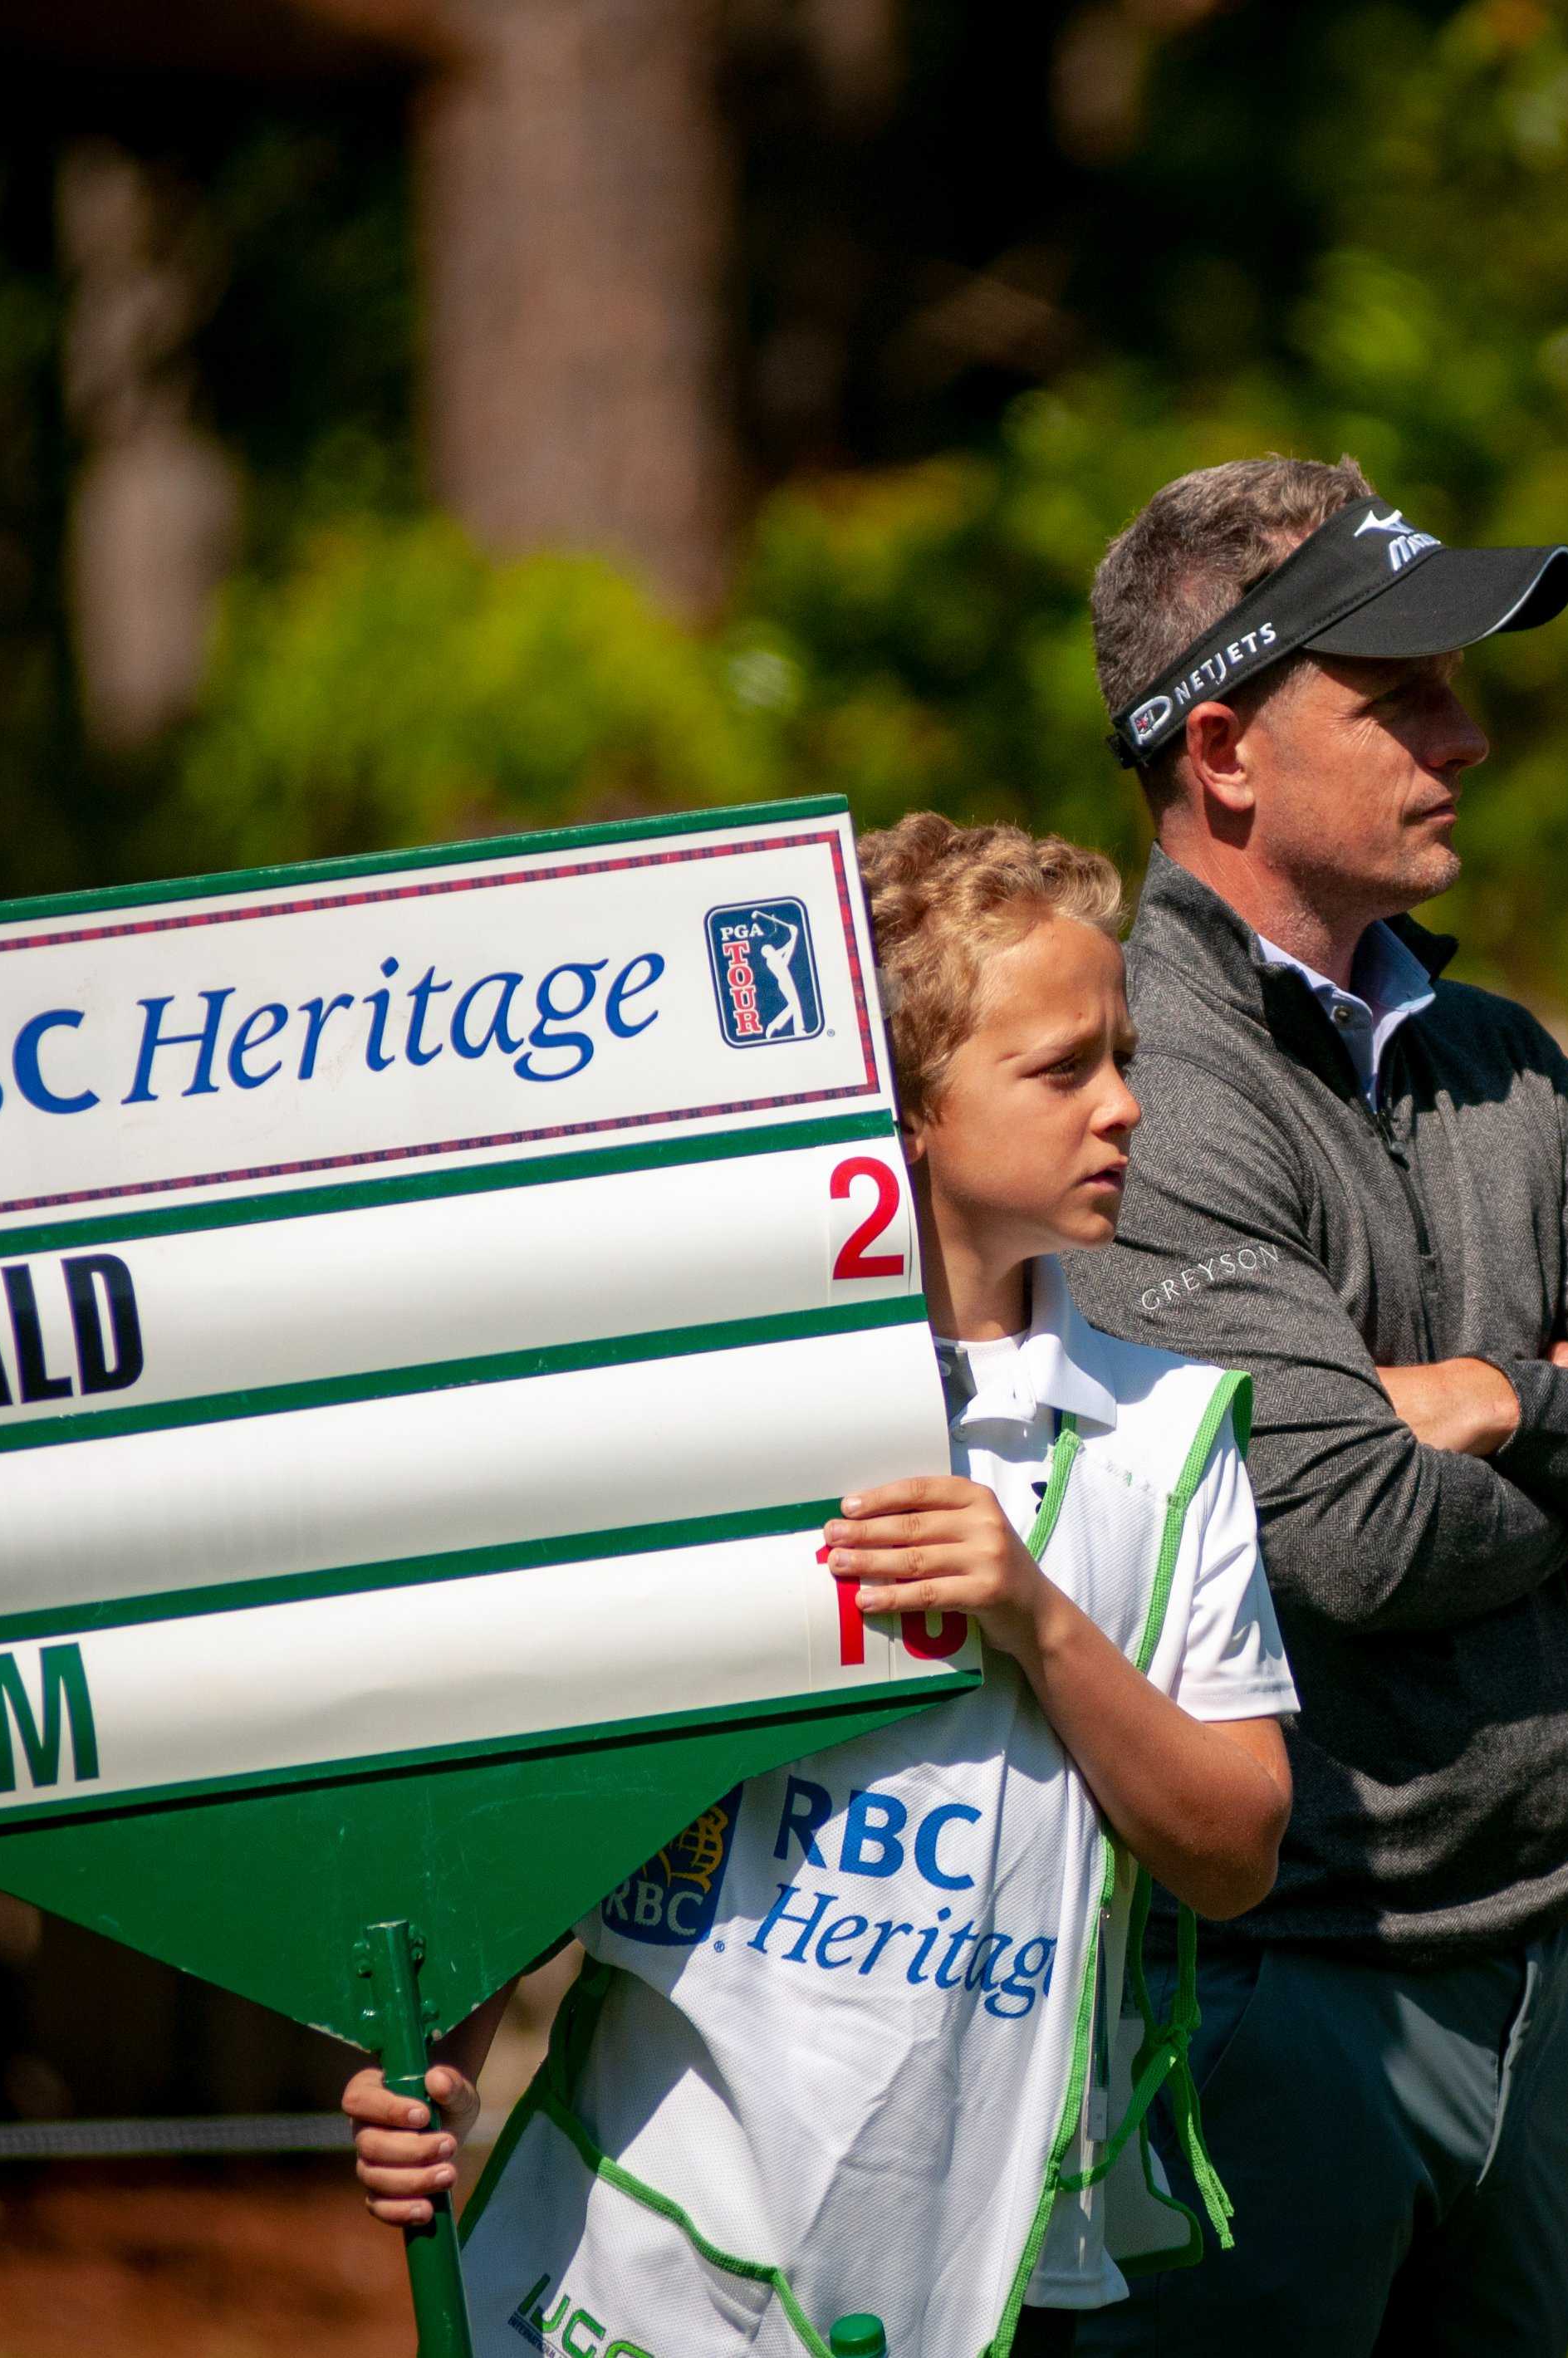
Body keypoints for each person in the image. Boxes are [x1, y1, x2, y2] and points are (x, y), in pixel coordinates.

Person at [341, 816, 1299, 2358]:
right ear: (906, 1107)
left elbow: (1238, 1850)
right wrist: (428, 2067)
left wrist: (1039, 1621)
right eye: (1064, 1069)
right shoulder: (709, 1412)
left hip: (989, 2271)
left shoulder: (1168, 1430)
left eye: (1123, 1057)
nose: (1124, 1108)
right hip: (634, 2258)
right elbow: (551, 1796)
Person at [1061, 458, 1568, 2358]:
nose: (1466, 738)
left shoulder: (1500, 1059)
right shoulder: (1145, 1086)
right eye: (1404, 699)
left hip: (1530, 1979)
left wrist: (1495, 1402)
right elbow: (1351, 1535)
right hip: (1265, 2004)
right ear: (1222, 750)